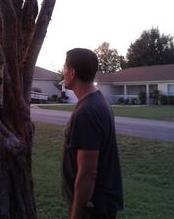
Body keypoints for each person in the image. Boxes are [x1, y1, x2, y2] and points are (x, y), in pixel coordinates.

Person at [62, 48, 123, 219]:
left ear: (72, 72)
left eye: (65, 68)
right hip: (99, 204)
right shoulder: (98, 100)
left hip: (93, 208)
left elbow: (88, 172)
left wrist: (76, 213)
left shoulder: (87, 112)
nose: (63, 72)